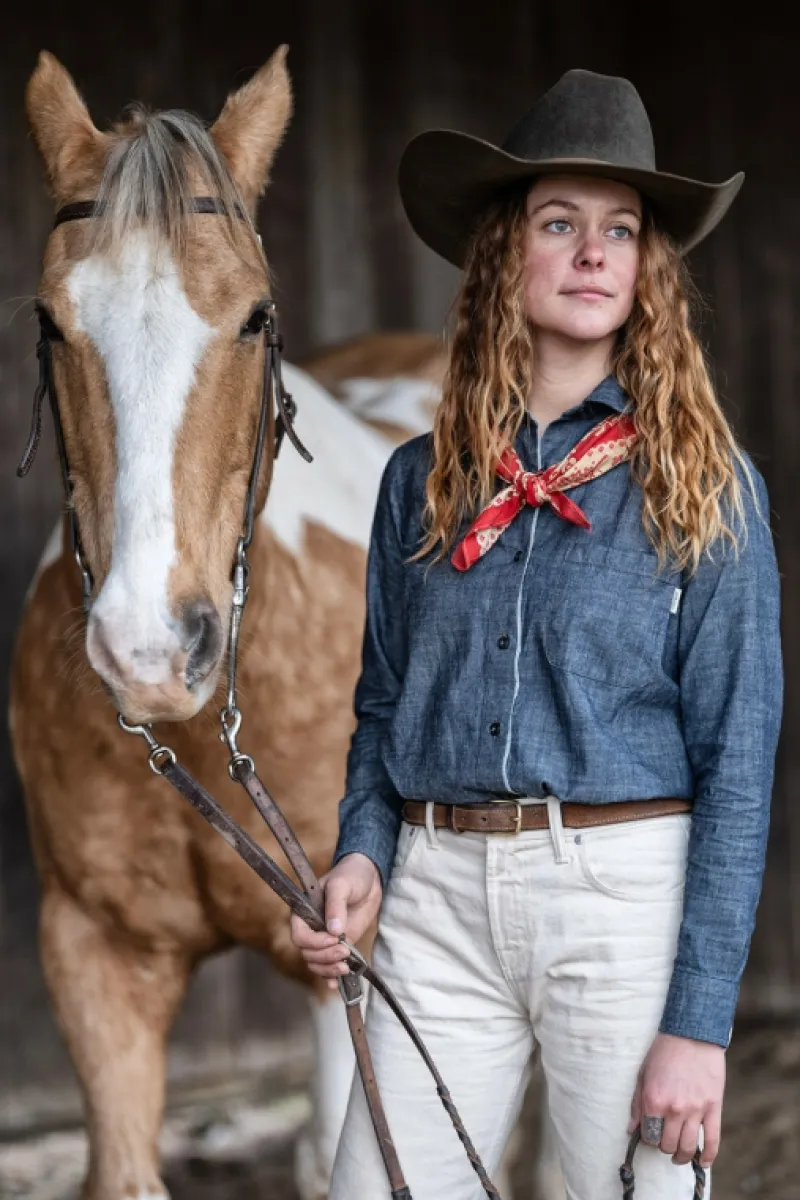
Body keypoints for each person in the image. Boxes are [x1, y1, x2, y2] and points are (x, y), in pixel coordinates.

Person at [290, 68, 783, 1199]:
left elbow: (738, 763)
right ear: (504, 256)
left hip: (618, 901)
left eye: (618, 229)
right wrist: (364, 847)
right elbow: (382, 703)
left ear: (646, 268)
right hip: (435, 896)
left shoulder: (704, 487)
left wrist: (698, 1027)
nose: (591, 251)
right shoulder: (419, 481)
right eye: (556, 223)